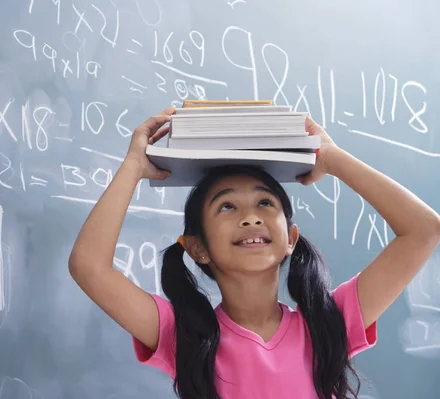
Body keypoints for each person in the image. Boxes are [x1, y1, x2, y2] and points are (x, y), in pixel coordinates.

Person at [68, 105, 440, 399]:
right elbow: (89, 267)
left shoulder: (328, 322)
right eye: (227, 207)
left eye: (265, 203)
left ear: (291, 237)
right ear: (198, 248)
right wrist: (133, 166)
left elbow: (424, 230)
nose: (250, 218)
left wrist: (332, 158)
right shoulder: (185, 335)